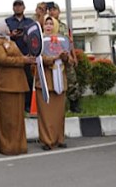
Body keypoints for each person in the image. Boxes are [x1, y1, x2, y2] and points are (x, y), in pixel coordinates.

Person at [0, 19, 31, 155]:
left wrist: (26, 58)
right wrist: (23, 60)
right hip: (5, 85)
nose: (6, 27)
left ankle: (19, 146)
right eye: (4, 25)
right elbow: (3, 60)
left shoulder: (10, 42)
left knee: (18, 118)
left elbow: (16, 57)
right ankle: (7, 146)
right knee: (7, 118)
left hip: (18, 83)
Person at [37, 15, 70, 150]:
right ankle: (47, 141)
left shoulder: (62, 41)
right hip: (45, 81)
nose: (49, 26)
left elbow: (69, 62)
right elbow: (38, 58)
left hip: (60, 81)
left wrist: (65, 57)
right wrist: (55, 57)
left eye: (51, 23)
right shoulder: (39, 41)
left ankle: (59, 138)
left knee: (59, 113)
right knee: (45, 114)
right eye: (46, 24)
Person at [48, 4, 81, 113]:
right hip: (53, 58)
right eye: (50, 10)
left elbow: (69, 42)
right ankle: (56, 107)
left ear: (59, 11)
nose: (52, 12)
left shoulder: (63, 26)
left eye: (54, 9)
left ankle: (74, 105)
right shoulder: (47, 25)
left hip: (66, 57)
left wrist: (73, 56)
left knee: (72, 80)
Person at [5, 0, 35, 112]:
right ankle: (15, 105)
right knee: (13, 80)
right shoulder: (7, 21)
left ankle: (27, 105)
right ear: (13, 8)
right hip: (13, 55)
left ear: (24, 7)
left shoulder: (30, 21)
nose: (18, 8)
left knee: (28, 80)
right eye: (16, 6)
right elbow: (3, 36)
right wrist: (11, 35)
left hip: (27, 54)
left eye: (20, 5)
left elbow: (35, 37)